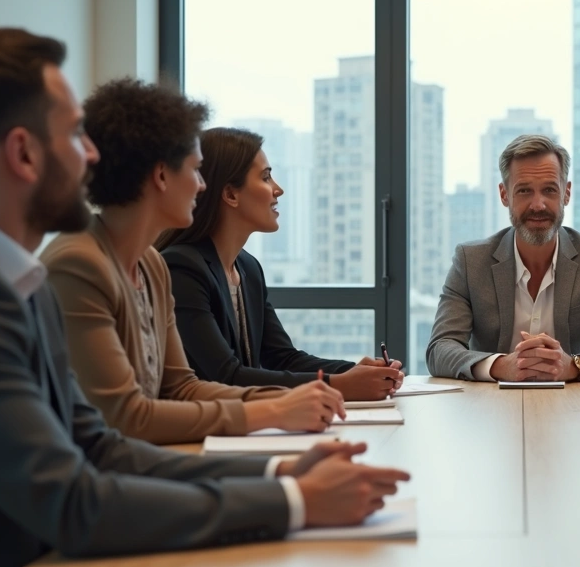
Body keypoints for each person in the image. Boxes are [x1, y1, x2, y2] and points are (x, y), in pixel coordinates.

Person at [0, 27, 409, 567]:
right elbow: (74, 499)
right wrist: (295, 501)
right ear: (23, 153)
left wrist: (280, 474)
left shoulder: (17, 279)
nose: (92, 155)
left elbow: (100, 447)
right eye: (75, 135)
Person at [41, 79, 347, 445]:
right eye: (196, 170)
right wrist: (273, 410)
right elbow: (126, 417)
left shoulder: (152, 266)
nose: (203, 186)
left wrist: (296, 398)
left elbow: (182, 388)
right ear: (161, 175)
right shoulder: (79, 265)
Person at [155, 127, 403, 400]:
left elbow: (283, 358)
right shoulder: (182, 269)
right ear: (230, 194)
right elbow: (225, 377)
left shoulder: (248, 268)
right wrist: (339, 384)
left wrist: (358, 372)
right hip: (201, 433)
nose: (278, 189)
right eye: (265, 177)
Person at [426, 134, 580, 381]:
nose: (538, 204)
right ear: (504, 194)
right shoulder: (470, 261)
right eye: (524, 191)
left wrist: (573, 366)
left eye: (549, 190)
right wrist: (500, 366)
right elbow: (440, 349)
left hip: (574, 407)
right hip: (491, 406)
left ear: (566, 193)